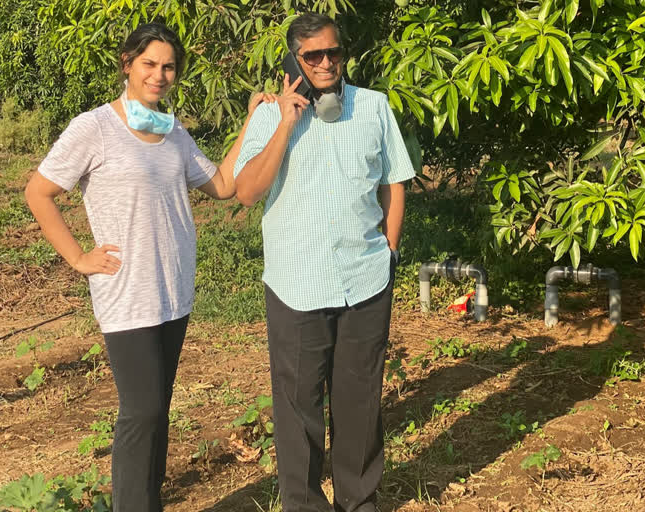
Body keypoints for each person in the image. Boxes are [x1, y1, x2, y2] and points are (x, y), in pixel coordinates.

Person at [24, 23, 274, 512]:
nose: (159, 75)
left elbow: (222, 184)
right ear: (127, 64)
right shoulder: (93, 127)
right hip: (127, 291)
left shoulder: (173, 132)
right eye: (149, 64)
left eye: (168, 67)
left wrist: (251, 123)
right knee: (140, 413)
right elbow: (39, 192)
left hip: (173, 289)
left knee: (158, 411)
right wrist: (78, 257)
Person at [234, 12, 415, 512]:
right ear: (295, 60)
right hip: (297, 284)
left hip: (366, 280)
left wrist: (390, 250)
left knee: (359, 405)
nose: (326, 62)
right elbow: (246, 192)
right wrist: (286, 122)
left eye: (333, 52)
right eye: (312, 55)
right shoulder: (271, 114)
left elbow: (394, 183)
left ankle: (359, 501)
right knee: (298, 411)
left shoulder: (374, 107)